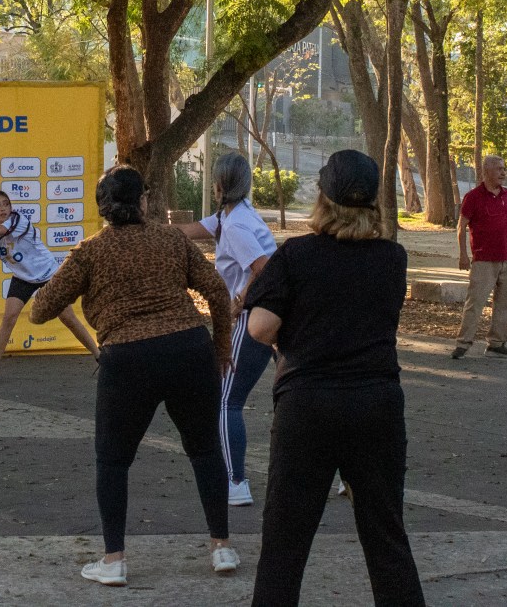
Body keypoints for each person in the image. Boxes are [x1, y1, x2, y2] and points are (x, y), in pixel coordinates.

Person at [28, 165, 239, 586]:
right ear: (143, 200)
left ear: (103, 208)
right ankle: (221, 547)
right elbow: (216, 291)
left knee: (113, 460)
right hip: (188, 350)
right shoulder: (171, 238)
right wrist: (220, 348)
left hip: (127, 359)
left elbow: (39, 311)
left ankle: (115, 559)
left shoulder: (89, 252)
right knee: (204, 450)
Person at [245, 150, 425, 607]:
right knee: (386, 536)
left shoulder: (296, 256)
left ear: (322, 198)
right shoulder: (393, 258)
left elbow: (261, 328)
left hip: (308, 404)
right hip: (377, 403)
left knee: (285, 542)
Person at [178, 152, 277, 507]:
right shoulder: (233, 216)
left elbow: (263, 267)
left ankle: (235, 481)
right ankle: (346, 475)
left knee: (225, 400)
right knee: (304, 395)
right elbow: (192, 231)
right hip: (283, 314)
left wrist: (239, 301)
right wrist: (145, 230)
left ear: (218, 186)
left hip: (259, 316)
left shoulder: (234, 226)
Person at [0, 190, 99, 384]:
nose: (2, 208)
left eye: (5, 204)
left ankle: (99, 356)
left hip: (48, 273)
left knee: (68, 318)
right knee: (9, 318)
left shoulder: (18, 221)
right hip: (23, 278)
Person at [451, 155, 507, 359]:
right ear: (486, 172)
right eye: (499, 169)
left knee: (506, 303)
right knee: (475, 302)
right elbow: (462, 226)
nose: (503, 173)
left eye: (504, 169)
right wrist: (463, 255)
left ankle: (496, 344)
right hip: (484, 259)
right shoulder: (473, 197)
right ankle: (463, 342)